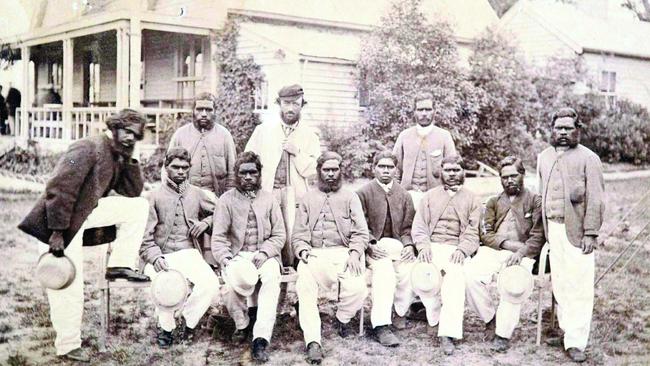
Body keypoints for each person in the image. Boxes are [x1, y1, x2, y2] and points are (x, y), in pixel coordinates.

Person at [18, 109, 151, 362]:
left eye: (136, 135)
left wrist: (130, 160)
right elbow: (59, 187)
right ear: (114, 127)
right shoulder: (87, 146)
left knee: (138, 207)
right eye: (126, 131)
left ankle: (119, 264)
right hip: (57, 222)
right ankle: (67, 345)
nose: (130, 138)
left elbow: (132, 193)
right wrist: (57, 233)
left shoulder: (117, 155)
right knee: (68, 285)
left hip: (83, 215)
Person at [537, 107, 604, 363]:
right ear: (551, 130)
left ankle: (576, 341)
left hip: (576, 231)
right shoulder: (544, 156)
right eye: (558, 128)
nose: (562, 133)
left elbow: (596, 199)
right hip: (553, 229)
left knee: (579, 285)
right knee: (561, 283)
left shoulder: (589, 158)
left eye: (568, 128)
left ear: (578, 130)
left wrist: (590, 233)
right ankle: (566, 331)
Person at [292, 152, 369, 364]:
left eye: (335, 170)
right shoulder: (307, 198)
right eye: (326, 170)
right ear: (319, 172)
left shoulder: (350, 197)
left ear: (340, 171)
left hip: (343, 252)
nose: (331, 174)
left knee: (358, 288)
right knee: (305, 285)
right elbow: (298, 233)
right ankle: (313, 341)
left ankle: (342, 318)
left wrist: (354, 253)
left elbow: (361, 232)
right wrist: (303, 251)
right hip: (314, 254)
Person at [140, 147, 219, 349]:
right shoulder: (154, 196)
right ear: (166, 168)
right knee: (166, 282)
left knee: (210, 284)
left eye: (185, 168)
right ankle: (166, 328)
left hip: (189, 253)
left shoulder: (196, 194)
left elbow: (222, 212)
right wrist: (156, 258)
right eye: (175, 167)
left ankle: (188, 321)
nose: (181, 172)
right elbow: (145, 238)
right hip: (160, 254)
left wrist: (206, 223)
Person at [464, 156, 545, 352]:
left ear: (523, 175)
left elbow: (539, 235)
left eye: (514, 176)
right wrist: (508, 245)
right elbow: (485, 234)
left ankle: (503, 334)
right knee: (469, 275)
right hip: (495, 250)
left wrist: (522, 251)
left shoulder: (534, 201)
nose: (509, 180)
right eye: (505, 177)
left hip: (523, 254)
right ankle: (490, 318)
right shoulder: (493, 202)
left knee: (513, 283)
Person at [211, 151, 285, 363]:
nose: (248, 177)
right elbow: (219, 237)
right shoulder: (226, 201)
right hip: (237, 255)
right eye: (243, 173)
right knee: (231, 284)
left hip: (264, 254)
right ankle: (242, 323)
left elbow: (279, 234)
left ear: (259, 174)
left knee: (272, 278)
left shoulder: (269, 200)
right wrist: (226, 258)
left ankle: (261, 338)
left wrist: (265, 252)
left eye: (253, 172)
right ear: (236, 175)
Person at [411, 155, 481, 355]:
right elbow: (419, 226)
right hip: (432, 246)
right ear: (441, 172)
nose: (452, 174)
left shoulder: (473, 199)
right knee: (423, 275)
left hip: (456, 249)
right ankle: (434, 316)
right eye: (448, 170)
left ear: (463, 172)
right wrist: (423, 246)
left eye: (456, 170)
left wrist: (463, 249)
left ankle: (447, 333)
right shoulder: (429, 197)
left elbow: (473, 230)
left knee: (454, 279)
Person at [245, 84, 321, 266]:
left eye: (295, 104)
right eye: (286, 103)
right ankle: (270, 277)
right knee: (268, 234)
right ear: (279, 104)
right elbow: (248, 160)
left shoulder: (310, 135)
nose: (290, 108)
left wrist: (297, 153)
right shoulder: (263, 131)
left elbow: (313, 170)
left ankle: (292, 278)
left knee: (292, 236)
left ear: (302, 106)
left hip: (295, 195)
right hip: (268, 192)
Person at [355, 150, 416, 347]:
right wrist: (370, 244)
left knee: (408, 268)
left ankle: (399, 312)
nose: (386, 171)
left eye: (390, 167)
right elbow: (358, 225)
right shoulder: (363, 193)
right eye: (382, 166)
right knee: (385, 271)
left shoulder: (404, 195)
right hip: (374, 249)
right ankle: (381, 325)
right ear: (374, 169)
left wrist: (409, 245)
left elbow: (408, 227)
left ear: (396, 170)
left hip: (397, 246)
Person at [393, 91, 457, 208]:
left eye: (428, 109)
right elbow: (395, 168)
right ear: (414, 112)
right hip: (408, 196)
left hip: (435, 197)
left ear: (434, 111)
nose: (424, 113)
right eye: (420, 109)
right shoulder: (404, 136)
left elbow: (453, 170)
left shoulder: (444, 136)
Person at [168, 92, 236, 198]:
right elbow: (167, 168)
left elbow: (232, 172)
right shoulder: (180, 135)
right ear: (193, 111)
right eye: (199, 109)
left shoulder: (224, 135)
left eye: (208, 110)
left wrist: (227, 199)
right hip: (185, 197)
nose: (204, 114)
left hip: (216, 198)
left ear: (215, 112)